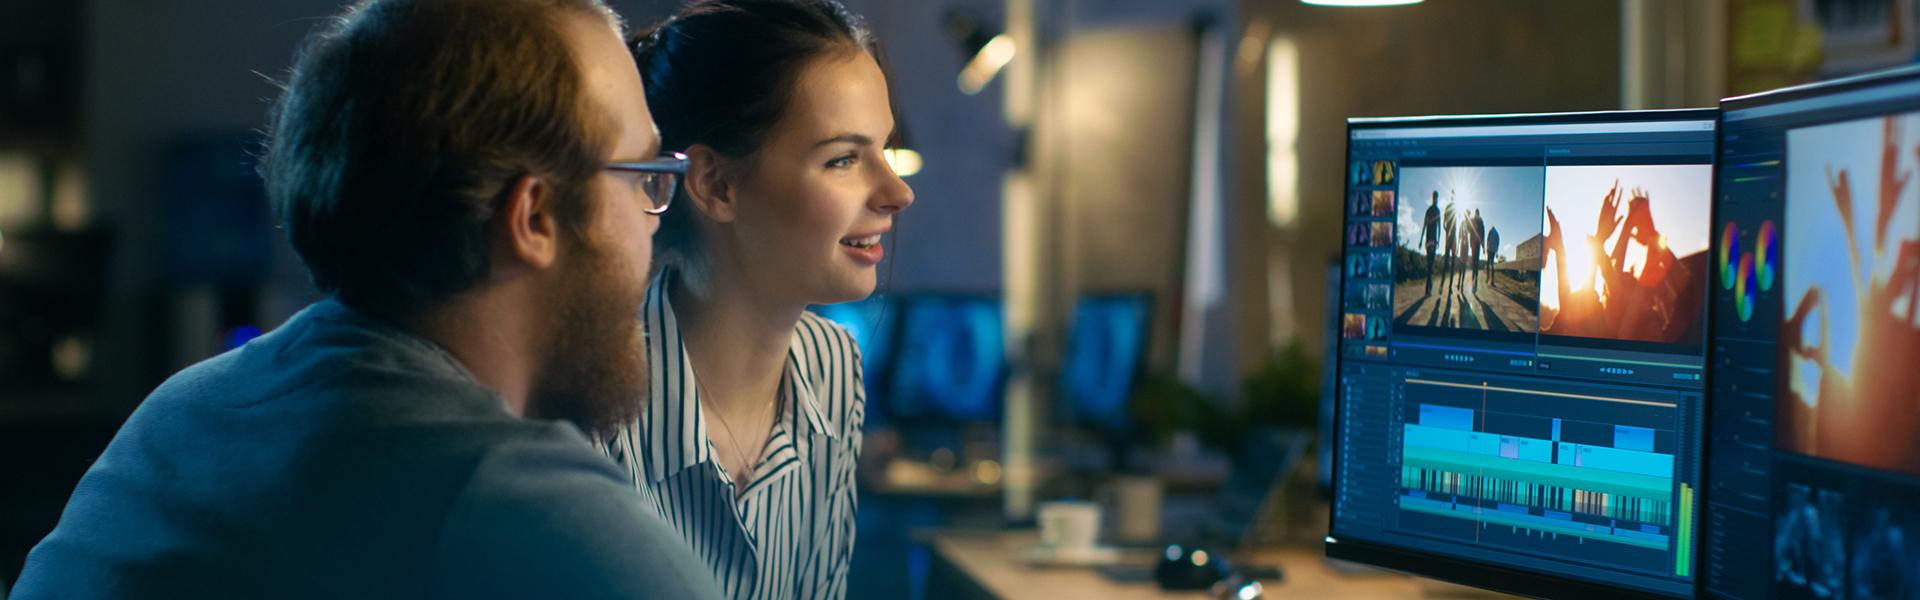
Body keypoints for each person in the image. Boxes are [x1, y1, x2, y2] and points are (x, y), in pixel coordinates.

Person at [11, 1, 722, 598]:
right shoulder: (498, 500)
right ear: (533, 217)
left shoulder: (186, 413)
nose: (653, 222)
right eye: (641, 175)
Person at [602, 1, 914, 598]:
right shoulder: (591, 394)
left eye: (884, 148)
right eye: (844, 159)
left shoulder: (833, 368)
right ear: (715, 185)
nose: (897, 191)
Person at [1421, 191, 1440, 294]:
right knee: (1430, 264)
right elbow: (1439, 227)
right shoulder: (1436, 210)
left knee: (1429, 264)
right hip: (1431, 240)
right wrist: (1439, 240)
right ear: (1435, 198)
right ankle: (1429, 287)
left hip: (1429, 240)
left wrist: (1421, 240)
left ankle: (1428, 287)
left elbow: (1425, 225)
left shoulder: (1430, 210)